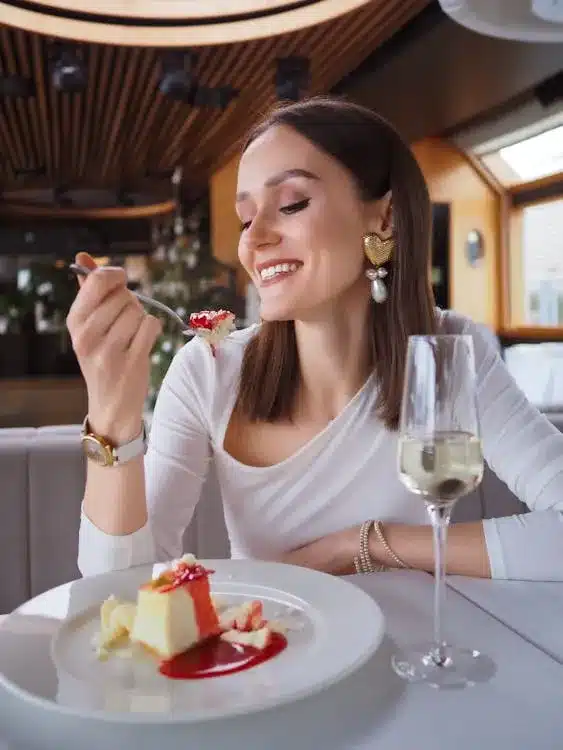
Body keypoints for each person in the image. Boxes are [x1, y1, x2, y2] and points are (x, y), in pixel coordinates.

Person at [68, 96, 563, 582]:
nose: (253, 238)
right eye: (246, 217)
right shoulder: (209, 369)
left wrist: (360, 545)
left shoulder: (453, 353)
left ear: (384, 219)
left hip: (416, 656)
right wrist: (113, 417)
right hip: (270, 658)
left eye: (291, 204)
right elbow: (117, 588)